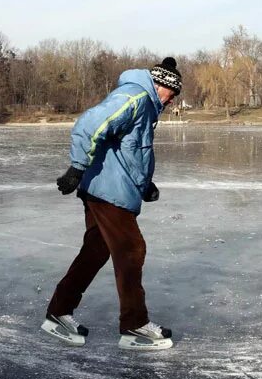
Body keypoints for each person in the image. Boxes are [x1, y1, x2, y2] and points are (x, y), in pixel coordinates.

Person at [41, 57, 182, 351]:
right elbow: (91, 124)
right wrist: (76, 167)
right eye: (172, 93)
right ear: (161, 86)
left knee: (95, 251)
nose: (172, 101)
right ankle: (134, 326)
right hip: (108, 192)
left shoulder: (145, 105)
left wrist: (144, 186)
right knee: (132, 250)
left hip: (109, 188)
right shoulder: (135, 96)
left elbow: (131, 152)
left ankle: (58, 311)